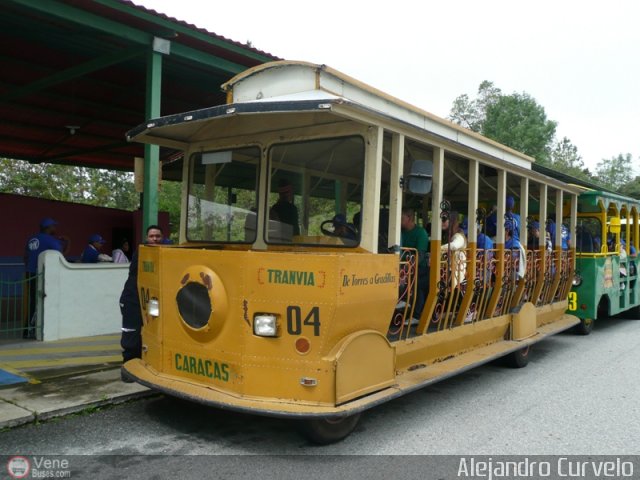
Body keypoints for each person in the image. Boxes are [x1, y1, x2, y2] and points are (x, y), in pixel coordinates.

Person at [120, 225, 163, 382]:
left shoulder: (162, 254)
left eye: (157, 236)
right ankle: (128, 369)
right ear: (147, 238)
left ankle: (145, 367)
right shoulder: (142, 253)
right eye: (152, 236)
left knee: (151, 330)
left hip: (150, 301)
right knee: (131, 335)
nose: (154, 239)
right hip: (132, 300)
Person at [23, 218, 64, 338]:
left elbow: (25, 256)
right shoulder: (50, 240)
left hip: (30, 272)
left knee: (33, 301)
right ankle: (31, 330)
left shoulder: (31, 238)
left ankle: (27, 330)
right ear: (48, 228)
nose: (55, 229)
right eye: (53, 227)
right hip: (42, 274)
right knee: (40, 301)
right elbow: (59, 255)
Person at [399, 207, 430, 326]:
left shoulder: (421, 233)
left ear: (409, 218)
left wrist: (406, 270)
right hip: (401, 266)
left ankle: (416, 314)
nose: (399, 220)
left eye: (401, 217)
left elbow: (419, 256)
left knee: (417, 283)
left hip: (419, 268)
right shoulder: (400, 232)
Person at [441, 212, 467, 289]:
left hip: (456, 273)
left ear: (452, 221)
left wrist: (439, 249)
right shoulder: (447, 235)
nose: (442, 222)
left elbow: (454, 245)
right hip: (447, 271)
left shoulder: (459, 236)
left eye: (444, 219)